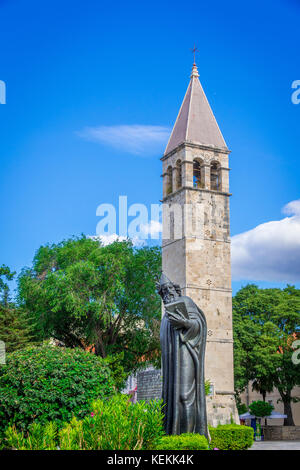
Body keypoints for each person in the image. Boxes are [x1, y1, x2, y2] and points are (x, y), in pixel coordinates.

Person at [157, 273, 208, 437]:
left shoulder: (186, 302)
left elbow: (198, 324)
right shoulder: (166, 314)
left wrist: (184, 323)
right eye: (163, 292)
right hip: (172, 358)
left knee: (185, 396)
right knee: (172, 399)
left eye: (168, 289)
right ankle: (174, 436)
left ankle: (189, 438)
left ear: (175, 289)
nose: (167, 294)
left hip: (187, 352)